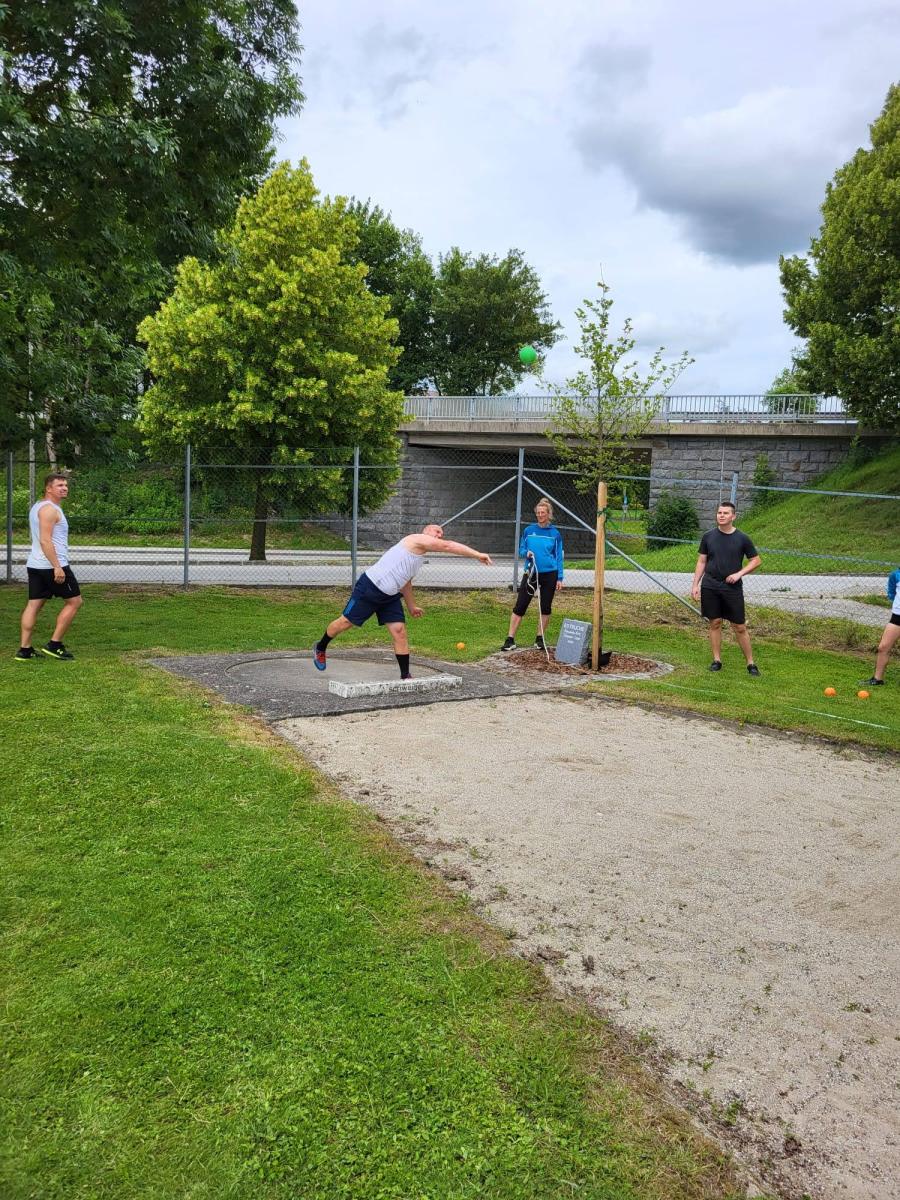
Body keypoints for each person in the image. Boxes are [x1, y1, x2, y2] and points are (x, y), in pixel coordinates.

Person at [313, 524, 493, 679]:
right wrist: (477, 554)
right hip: (370, 588)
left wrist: (411, 606)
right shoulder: (415, 539)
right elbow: (447, 545)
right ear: (425, 530)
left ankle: (405, 676)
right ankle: (321, 647)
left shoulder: (418, 558)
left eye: (441, 534)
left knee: (399, 631)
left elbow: (406, 582)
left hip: (390, 596)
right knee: (345, 622)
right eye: (436, 531)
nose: (439, 535)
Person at [16, 472, 83, 661]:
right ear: (48, 488)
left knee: (34, 604)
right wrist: (57, 567)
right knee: (75, 602)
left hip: (36, 565)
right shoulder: (49, 510)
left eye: (65, 485)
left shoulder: (38, 506)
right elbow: (46, 541)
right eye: (60, 485)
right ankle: (54, 644)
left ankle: (25, 650)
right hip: (52, 565)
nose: (64, 488)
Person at [690, 501, 762, 675]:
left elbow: (756, 561)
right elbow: (702, 561)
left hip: (732, 588)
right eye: (719, 513)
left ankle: (751, 664)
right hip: (710, 586)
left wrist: (739, 574)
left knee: (739, 626)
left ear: (733, 516)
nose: (721, 516)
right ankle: (717, 660)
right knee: (715, 623)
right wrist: (695, 584)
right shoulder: (708, 536)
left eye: (725, 513)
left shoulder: (742, 538)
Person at [502, 497, 564, 652]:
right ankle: (510, 640)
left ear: (549, 514)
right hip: (531, 573)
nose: (540, 515)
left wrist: (560, 578)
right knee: (520, 605)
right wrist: (526, 553)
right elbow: (521, 549)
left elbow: (559, 557)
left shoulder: (555, 534)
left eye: (543, 513)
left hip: (550, 574)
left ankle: (539, 638)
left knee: (545, 607)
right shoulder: (529, 531)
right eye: (538, 512)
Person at [861, 567, 900, 687]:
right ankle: (877, 679)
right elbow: (892, 594)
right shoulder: (896, 575)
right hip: (897, 617)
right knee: (883, 647)